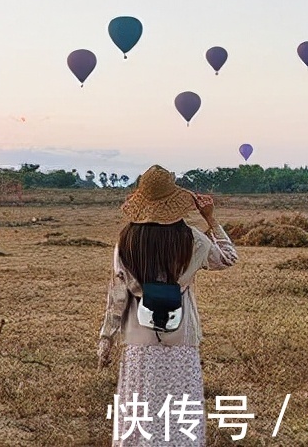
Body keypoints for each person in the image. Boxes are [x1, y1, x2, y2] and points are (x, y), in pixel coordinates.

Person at [97, 164, 238, 445]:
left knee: (139, 410)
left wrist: (106, 338)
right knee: (180, 411)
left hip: (139, 339)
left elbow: (118, 296)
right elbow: (228, 257)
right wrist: (210, 219)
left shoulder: (126, 242)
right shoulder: (193, 239)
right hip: (181, 337)